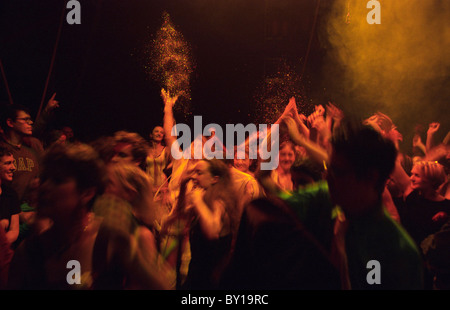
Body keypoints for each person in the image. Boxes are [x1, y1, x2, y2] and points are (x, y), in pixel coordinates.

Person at [260, 116, 424, 289]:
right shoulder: (325, 196)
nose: (327, 177)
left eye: (337, 172)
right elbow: (267, 203)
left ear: (370, 176)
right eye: (329, 169)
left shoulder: (396, 251)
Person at [7, 143, 171, 289]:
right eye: (44, 179)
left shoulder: (111, 241)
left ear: (87, 192)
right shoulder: (28, 252)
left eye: (57, 180)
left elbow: (160, 285)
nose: (43, 187)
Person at [178, 159, 239, 290]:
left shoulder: (219, 202)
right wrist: (183, 186)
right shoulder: (205, 198)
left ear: (214, 179)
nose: (194, 177)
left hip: (210, 281)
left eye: (199, 173)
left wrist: (197, 201)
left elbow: (212, 232)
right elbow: (181, 215)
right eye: (193, 172)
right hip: (197, 275)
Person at [0, 146, 20, 246]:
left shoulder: (10, 194)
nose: (13, 168)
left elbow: (14, 231)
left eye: (13, 163)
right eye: (8, 163)